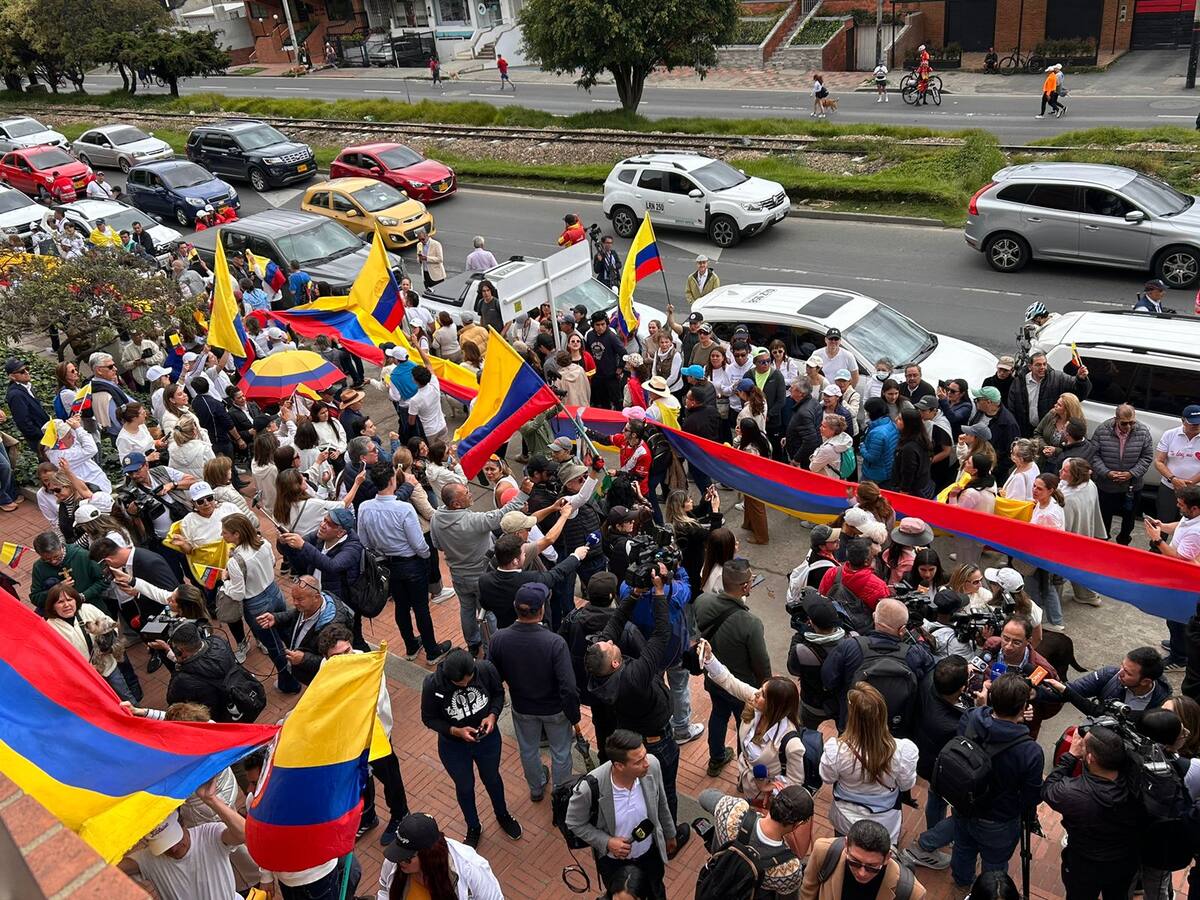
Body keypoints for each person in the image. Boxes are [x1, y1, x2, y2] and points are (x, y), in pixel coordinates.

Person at [586, 566, 690, 837]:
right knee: (665, 788)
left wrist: (633, 595)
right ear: (617, 662)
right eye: (610, 645)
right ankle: (670, 834)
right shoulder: (633, 677)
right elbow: (661, 636)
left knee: (644, 786)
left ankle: (649, 820)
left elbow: (615, 623)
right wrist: (658, 593)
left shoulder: (599, 669)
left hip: (632, 733)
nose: (609, 640)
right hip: (657, 741)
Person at [949, 672, 1045, 891]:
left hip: (965, 804)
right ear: (1023, 708)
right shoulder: (1030, 751)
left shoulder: (971, 718)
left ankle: (962, 880)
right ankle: (990, 892)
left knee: (963, 847)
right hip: (999, 819)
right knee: (994, 864)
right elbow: (1031, 796)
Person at [487, 582, 581, 804]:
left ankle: (537, 787)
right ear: (541, 610)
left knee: (528, 750)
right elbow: (567, 685)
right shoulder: (555, 643)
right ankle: (562, 793)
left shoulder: (499, 639)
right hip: (555, 709)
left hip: (523, 706)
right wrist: (574, 715)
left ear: (515, 607)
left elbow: (492, 676)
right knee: (561, 752)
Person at [420, 649, 522, 847]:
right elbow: (428, 718)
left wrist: (492, 715)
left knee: (492, 778)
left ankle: (502, 814)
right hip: (454, 747)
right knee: (465, 786)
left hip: (488, 741)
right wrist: (455, 731)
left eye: (469, 681)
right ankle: (473, 826)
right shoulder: (432, 685)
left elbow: (498, 694)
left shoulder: (485, 669)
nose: (466, 685)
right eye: (460, 684)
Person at [699, 639, 818, 798]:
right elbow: (730, 682)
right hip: (745, 777)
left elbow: (795, 782)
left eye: (762, 694)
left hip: (763, 797)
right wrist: (709, 658)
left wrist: (768, 788)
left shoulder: (792, 744)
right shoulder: (757, 704)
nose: (755, 694)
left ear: (775, 705)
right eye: (760, 689)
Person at [565, 730, 676, 900]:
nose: (646, 763)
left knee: (656, 891)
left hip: (649, 855)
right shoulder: (590, 788)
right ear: (619, 765)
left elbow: (661, 803)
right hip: (614, 864)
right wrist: (607, 842)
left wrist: (670, 834)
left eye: (645, 755)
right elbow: (574, 823)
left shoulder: (652, 766)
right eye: (638, 761)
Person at [1042, 725, 1144, 899]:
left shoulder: (1074, 793)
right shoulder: (1137, 781)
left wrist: (1071, 756)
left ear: (1090, 758)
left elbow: (1048, 789)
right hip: (1124, 861)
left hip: (1084, 863)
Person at [432, 479, 530, 657]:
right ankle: (492, 646)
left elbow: (437, 544)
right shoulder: (473, 521)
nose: (470, 494)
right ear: (456, 503)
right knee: (488, 613)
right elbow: (502, 514)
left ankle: (472, 643)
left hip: (458, 576)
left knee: (466, 609)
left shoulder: (436, 519)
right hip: (481, 576)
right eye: (466, 494)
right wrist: (523, 493)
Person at [820, 682, 918, 842]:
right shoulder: (903, 751)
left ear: (851, 716)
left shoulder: (836, 750)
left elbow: (827, 778)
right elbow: (906, 785)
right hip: (885, 824)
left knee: (841, 853)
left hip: (845, 819)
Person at [821, 597, 935, 734]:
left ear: (874, 617)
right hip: (895, 730)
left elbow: (828, 680)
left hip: (853, 727)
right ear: (902, 629)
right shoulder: (914, 654)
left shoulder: (850, 646)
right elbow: (930, 674)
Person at [119, 784, 247, 900]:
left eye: (176, 842)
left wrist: (211, 799)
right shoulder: (147, 859)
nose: (174, 850)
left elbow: (243, 833)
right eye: (165, 848)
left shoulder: (209, 835)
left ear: (183, 824)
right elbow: (106, 869)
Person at [220, 513, 302, 694]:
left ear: (237, 535)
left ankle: (289, 683)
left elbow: (238, 593)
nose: (222, 535)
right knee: (288, 633)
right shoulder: (263, 543)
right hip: (274, 592)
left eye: (225, 532)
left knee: (273, 645)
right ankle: (303, 666)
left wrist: (225, 582)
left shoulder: (235, 561)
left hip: (256, 604)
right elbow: (272, 562)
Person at [902, 655, 969, 871]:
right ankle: (927, 844)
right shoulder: (951, 723)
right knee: (964, 815)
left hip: (926, 759)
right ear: (961, 689)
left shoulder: (929, 680)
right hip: (942, 768)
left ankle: (934, 831)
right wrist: (981, 707)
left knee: (936, 796)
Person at [698, 785, 813, 898]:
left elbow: (704, 796)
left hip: (713, 884)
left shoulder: (733, 811)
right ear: (798, 824)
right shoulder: (789, 868)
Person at [375, 813, 504, 900]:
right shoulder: (395, 860)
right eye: (399, 854)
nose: (400, 861)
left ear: (427, 854)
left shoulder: (470, 868)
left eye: (407, 857)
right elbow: (384, 891)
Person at [254, 575, 354, 685]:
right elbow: (295, 613)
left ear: (316, 597)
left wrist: (304, 659)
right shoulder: (309, 606)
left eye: (300, 599)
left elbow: (334, 662)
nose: (295, 603)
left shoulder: (333, 628)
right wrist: (276, 618)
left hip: (316, 677)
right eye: (293, 598)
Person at [1144, 483, 1200, 670]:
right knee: (1173, 617)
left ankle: (1180, 657)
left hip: (1185, 580)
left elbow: (1179, 558)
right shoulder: (1191, 517)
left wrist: (1157, 539)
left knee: (1178, 618)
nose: (1178, 506)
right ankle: (1179, 644)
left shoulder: (1197, 532)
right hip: (1177, 578)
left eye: (1181, 504)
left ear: (1194, 508)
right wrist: (1162, 526)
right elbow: (1180, 525)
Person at [801, 819, 926, 900]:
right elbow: (807, 891)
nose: (862, 873)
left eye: (872, 867)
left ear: (887, 857)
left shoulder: (912, 893)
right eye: (854, 862)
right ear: (846, 845)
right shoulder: (824, 851)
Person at [1045, 646, 1171, 718]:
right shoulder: (1109, 675)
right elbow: (1073, 690)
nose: (1120, 673)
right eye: (1122, 666)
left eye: (1127, 673)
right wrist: (1035, 692)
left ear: (1145, 681)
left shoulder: (1163, 705)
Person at [1091, 404, 1153, 545]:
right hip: (1107, 485)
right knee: (1103, 519)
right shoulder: (1102, 430)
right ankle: (1102, 545)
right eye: (1124, 423)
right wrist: (1107, 473)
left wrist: (1131, 473)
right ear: (1116, 419)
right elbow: (1094, 455)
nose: (1129, 426)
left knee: (1129, 520)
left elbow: (1147, 457)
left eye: (1132, 422)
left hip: (1132, 486)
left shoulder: (1143, 431)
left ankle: (1123, 544)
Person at [1007, 351, 1091, 438]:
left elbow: (1078, 394)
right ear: (1030, 367)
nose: (1042, 367)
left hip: (1047, 434)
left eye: (1044, 364)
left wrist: (1081, 380)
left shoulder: (1058, 378)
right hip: (1025, 432)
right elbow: (1012, 408)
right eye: (1038, 365)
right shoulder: (1019, 382)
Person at [1153, 404, 1200, 523]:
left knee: (1191, 525)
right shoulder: (1170, 434)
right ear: (1183, 421)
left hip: (1196, 490)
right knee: (1162, 522)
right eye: (1192, 422)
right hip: (1169, 486)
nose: (1196, 425)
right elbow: (1159, 461)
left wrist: (1190, 484)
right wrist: (1173, 479)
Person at [5, 357, 49, 452]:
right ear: (12, 376)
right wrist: (42, 435)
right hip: (41, 440)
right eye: (21, 371)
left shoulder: (27, 386)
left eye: (27, 369)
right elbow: (24, 423)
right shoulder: (16, 395)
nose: (26, 372)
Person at [585, 312, 626, 410]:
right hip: (597, 375)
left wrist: (620, 367)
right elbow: (588, 353)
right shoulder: (590, 335)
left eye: (603, 324)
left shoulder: (611, 336)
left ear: (607, 324)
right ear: (593, 325)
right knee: (603, 402)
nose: (600, 327)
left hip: (610, 375)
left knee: (617, 401)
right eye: (597, 325)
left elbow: (624, 353)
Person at [894, 407, 934, 498]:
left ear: (909, 424)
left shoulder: (909, 448)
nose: (896, 420)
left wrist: (904, 491)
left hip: (912, 491)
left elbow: (908, 472)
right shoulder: (922, 438)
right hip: (923, 484)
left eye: (900, 419)